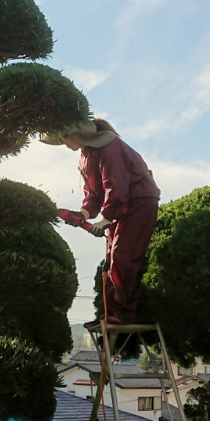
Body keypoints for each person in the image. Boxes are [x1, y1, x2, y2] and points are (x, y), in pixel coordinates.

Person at [43, 119, 160, 326]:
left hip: (139, 202)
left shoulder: (110, 147)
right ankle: (110, 313)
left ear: (77, 134)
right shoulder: (85, 156)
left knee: (122, 256)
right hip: (120, 206)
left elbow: (116, 185)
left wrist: (106, 218)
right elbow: (94, 194)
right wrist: (83, 214)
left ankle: (125, 313)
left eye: (65, 138)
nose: (65, 143)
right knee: (109, 261)